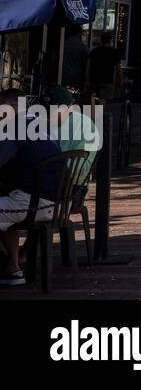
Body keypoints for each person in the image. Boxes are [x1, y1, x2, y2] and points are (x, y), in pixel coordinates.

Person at [0, 89, 64, 286]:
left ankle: (13, 266)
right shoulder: (39, 124)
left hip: (34, 204)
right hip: (58, 204)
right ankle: (13, 268)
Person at [86, 32, 122, 99]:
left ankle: (92, 109)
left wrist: (87, 80)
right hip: (107, 80)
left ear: (101, 40)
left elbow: (88, 66)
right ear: (110, 40)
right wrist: (120, 80)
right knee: (103, 99)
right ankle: (98, 109)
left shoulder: (94, 51)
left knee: (92, 99)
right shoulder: (114, 52)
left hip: (94, 80)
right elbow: (118, 68)